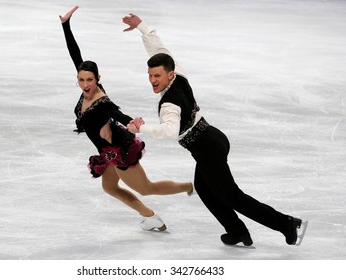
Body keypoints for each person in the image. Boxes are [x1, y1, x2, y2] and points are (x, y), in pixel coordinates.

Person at [122, 13, 308, 246]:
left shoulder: (169, 104)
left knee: (234, 197)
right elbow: (159, 50)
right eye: (150, 75)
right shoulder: (177, 73)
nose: (152, 80)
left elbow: (169, 131)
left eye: (157, 75)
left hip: (208, 149)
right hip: (212, 139)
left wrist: (141, 128)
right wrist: (142, 27)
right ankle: (237, 231)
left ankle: (287, 224)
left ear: (169, 74)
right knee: (205, 188)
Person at [59, 6, 193, 232]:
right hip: (106, 152)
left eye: (90, 80)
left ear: (98, 79)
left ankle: (189, 186)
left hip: (118, 150)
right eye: (81, 80)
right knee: (110, 187)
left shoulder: (102, 102)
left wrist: (137, 124)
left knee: (147, 188)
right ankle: (150, 216)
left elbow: (119, 115)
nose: (85, 85)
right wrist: (66, 25)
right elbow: (76, 55)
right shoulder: (87, 90)